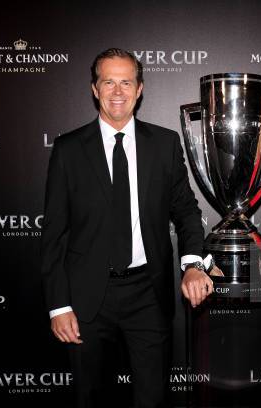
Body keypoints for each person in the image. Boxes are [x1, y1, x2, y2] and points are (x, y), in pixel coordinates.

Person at [40, 48, 214, 408]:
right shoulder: (68, 150)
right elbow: (54, 234)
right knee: (90, 397)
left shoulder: (164, 144)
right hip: (86, 297)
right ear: (94, 88)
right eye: (108, 82)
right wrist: (59, 306)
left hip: (147, 294)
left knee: (152, 399)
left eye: (126, 82)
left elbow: (185, 210)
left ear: (139, 89)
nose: (117, 91)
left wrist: (194, 264)